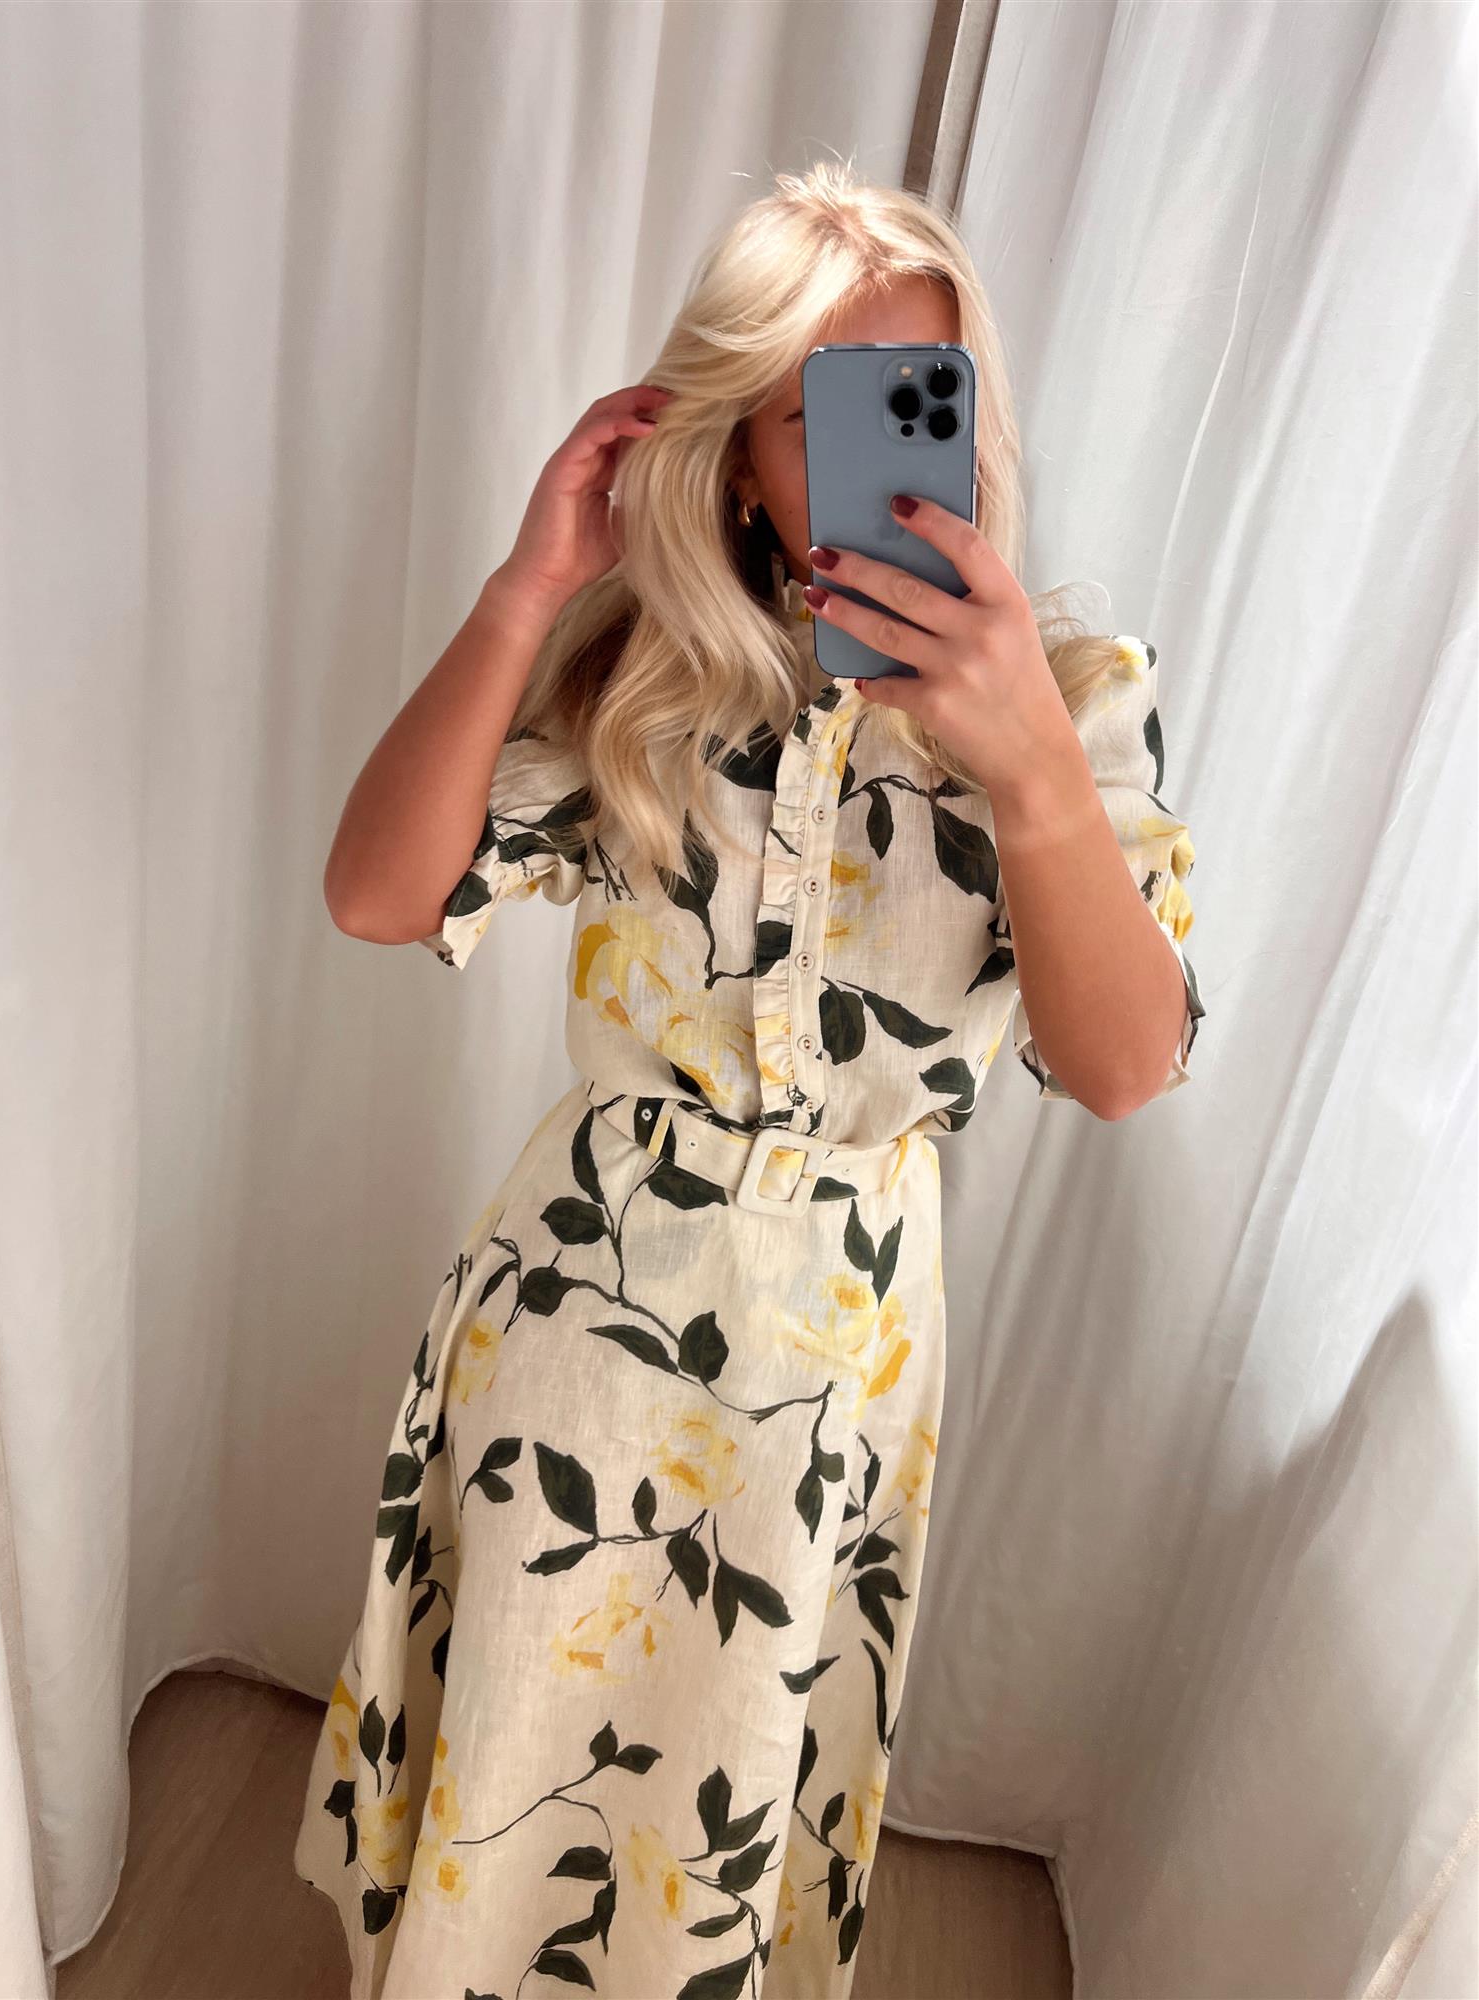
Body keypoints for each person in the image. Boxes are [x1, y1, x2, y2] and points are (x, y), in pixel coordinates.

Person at [292, 160, 1204, 2000]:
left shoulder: (1078, 695)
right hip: (577, 1324)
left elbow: (1122, 1068)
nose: (886, 453)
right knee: (520, 1750)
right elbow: (377, 894)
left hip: (839, 1357)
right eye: (817, 411)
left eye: (921, 396)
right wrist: (530, 588)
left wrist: (1027, 764)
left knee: (727, 1774)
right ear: (735, 458)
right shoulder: (646, 673)